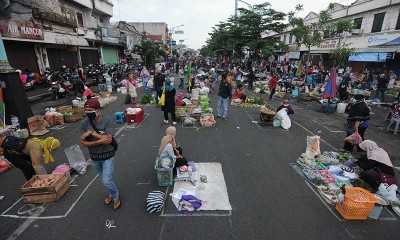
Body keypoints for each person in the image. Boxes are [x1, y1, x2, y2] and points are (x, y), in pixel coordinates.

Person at [80, 99, 121, 210]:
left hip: (108, 156)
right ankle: (111, 194)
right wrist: (99, 141)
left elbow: (109, 138)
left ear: (97, 110)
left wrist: (92, 133)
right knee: (105, 178)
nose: (87, 112)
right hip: (95, 157)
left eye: (90, 110)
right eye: (86, 110)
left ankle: (116, 196)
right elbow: (83, 143)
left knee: (106, 180)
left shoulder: (107, 121)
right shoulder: (84, 123)